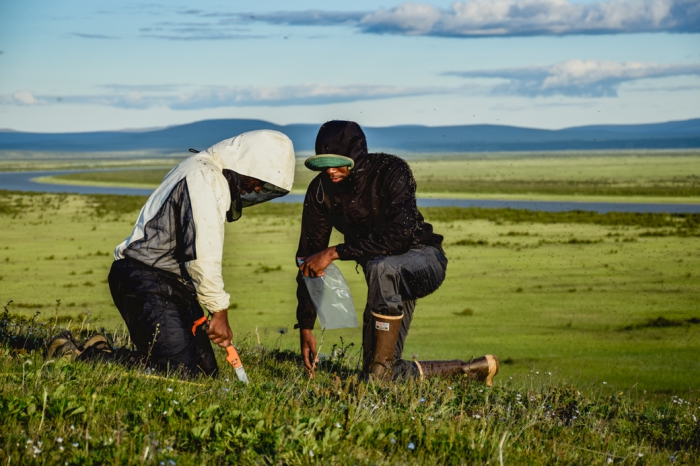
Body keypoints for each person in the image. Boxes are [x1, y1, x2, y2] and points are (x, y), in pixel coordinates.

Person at [50, 130, 295, 378]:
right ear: (245, 163)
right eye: (257, 180)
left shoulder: (203, 171)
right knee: (178, 373)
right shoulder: (204, 176)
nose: (256, 188)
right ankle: (80, 356)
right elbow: (202, 251)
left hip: (170, 285)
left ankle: (99, 349)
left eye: (263, 186)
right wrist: (219, 311)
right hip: (145, 280)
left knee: (206, 374)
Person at [295, 121, 499, 384]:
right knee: (379, 372)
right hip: (383, 281)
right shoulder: (320, 191)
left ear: (355, 156)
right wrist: (306, 325)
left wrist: (335, 251)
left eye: (337, 162)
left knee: (381, 266)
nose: (330, 170)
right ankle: (471, 371)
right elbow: (310, 261)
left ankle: (377, 376)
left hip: (423, 260)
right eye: (324, 164)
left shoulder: (391, 170)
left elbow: (399, 237)